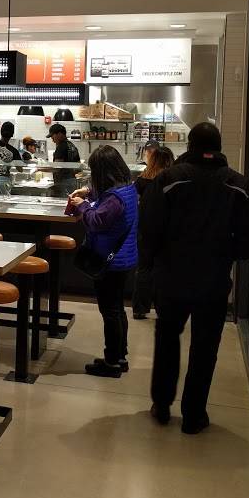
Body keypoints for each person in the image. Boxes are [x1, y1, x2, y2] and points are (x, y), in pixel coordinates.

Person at [141, 122, 249, 434]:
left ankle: (162, 405)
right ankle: (194, 415)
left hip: (171, 277)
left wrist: (151, 264)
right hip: (214, 280)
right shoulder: (239, 184)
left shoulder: (168, 179)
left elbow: (149, 227)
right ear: (218, 148)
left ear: (190, 146)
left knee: (167, 339)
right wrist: (229, 253)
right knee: (205, 347)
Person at [68, 145, 138, 378]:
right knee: (117, 309)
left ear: (103, 171)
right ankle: (120, 357)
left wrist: (82, 205)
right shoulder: (127, 188)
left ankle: (111, 363)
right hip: (123, 258)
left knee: (110, 311)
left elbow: (96, 221)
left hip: (110, 261)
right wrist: (89, 193)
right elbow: (107, 202)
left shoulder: (115, 198)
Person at [132, 146, 175, 320]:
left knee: (144, 268)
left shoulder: (142, 180)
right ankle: (162, 308)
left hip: (145, 228)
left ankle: (139, 309)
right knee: (164, 269)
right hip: (167, 229)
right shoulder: (172, 181)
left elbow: (134, 201)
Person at [48, 123, 81, 197]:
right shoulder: (72, 146)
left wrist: (40, 169)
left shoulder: (61, 147)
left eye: (52, 136)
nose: (52, 139)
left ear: (59, 134)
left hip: (63, 184)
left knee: (62, 203)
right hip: (72, 182)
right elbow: (78, 168)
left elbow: (57, 168)